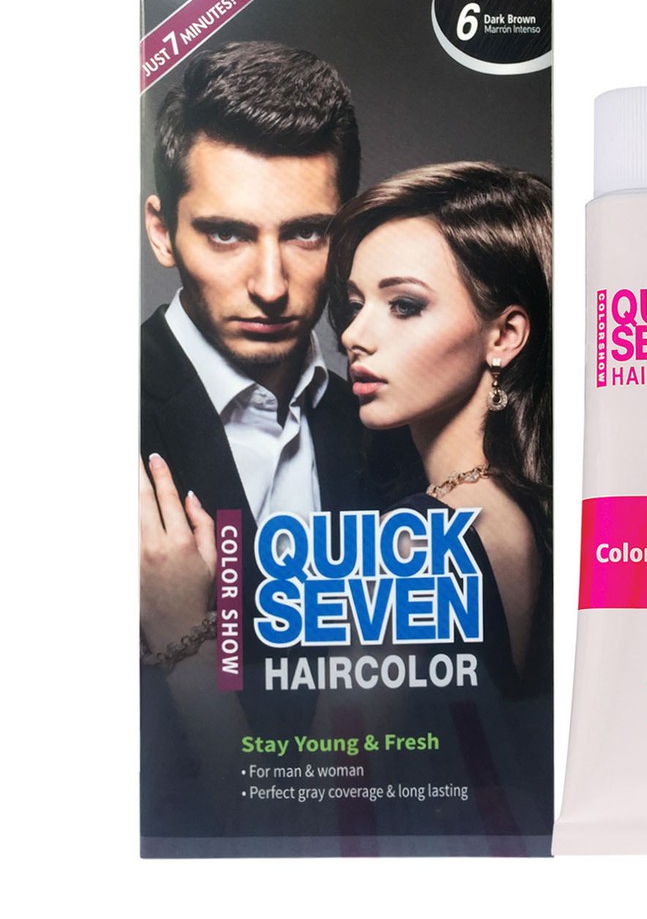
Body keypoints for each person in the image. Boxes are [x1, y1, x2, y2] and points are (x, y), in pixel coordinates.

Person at [139, 41, 369, 839]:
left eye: (307, 235)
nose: (270, 286)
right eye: (227, 235)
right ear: (162, 231)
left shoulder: (390, 431)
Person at [327, 161, 553, 691]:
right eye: (356, 305)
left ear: (504, 336)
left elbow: (339, 749)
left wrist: (183, 635)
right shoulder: (526, 511)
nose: (353, 335)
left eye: (404, 305)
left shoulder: (413, 542)